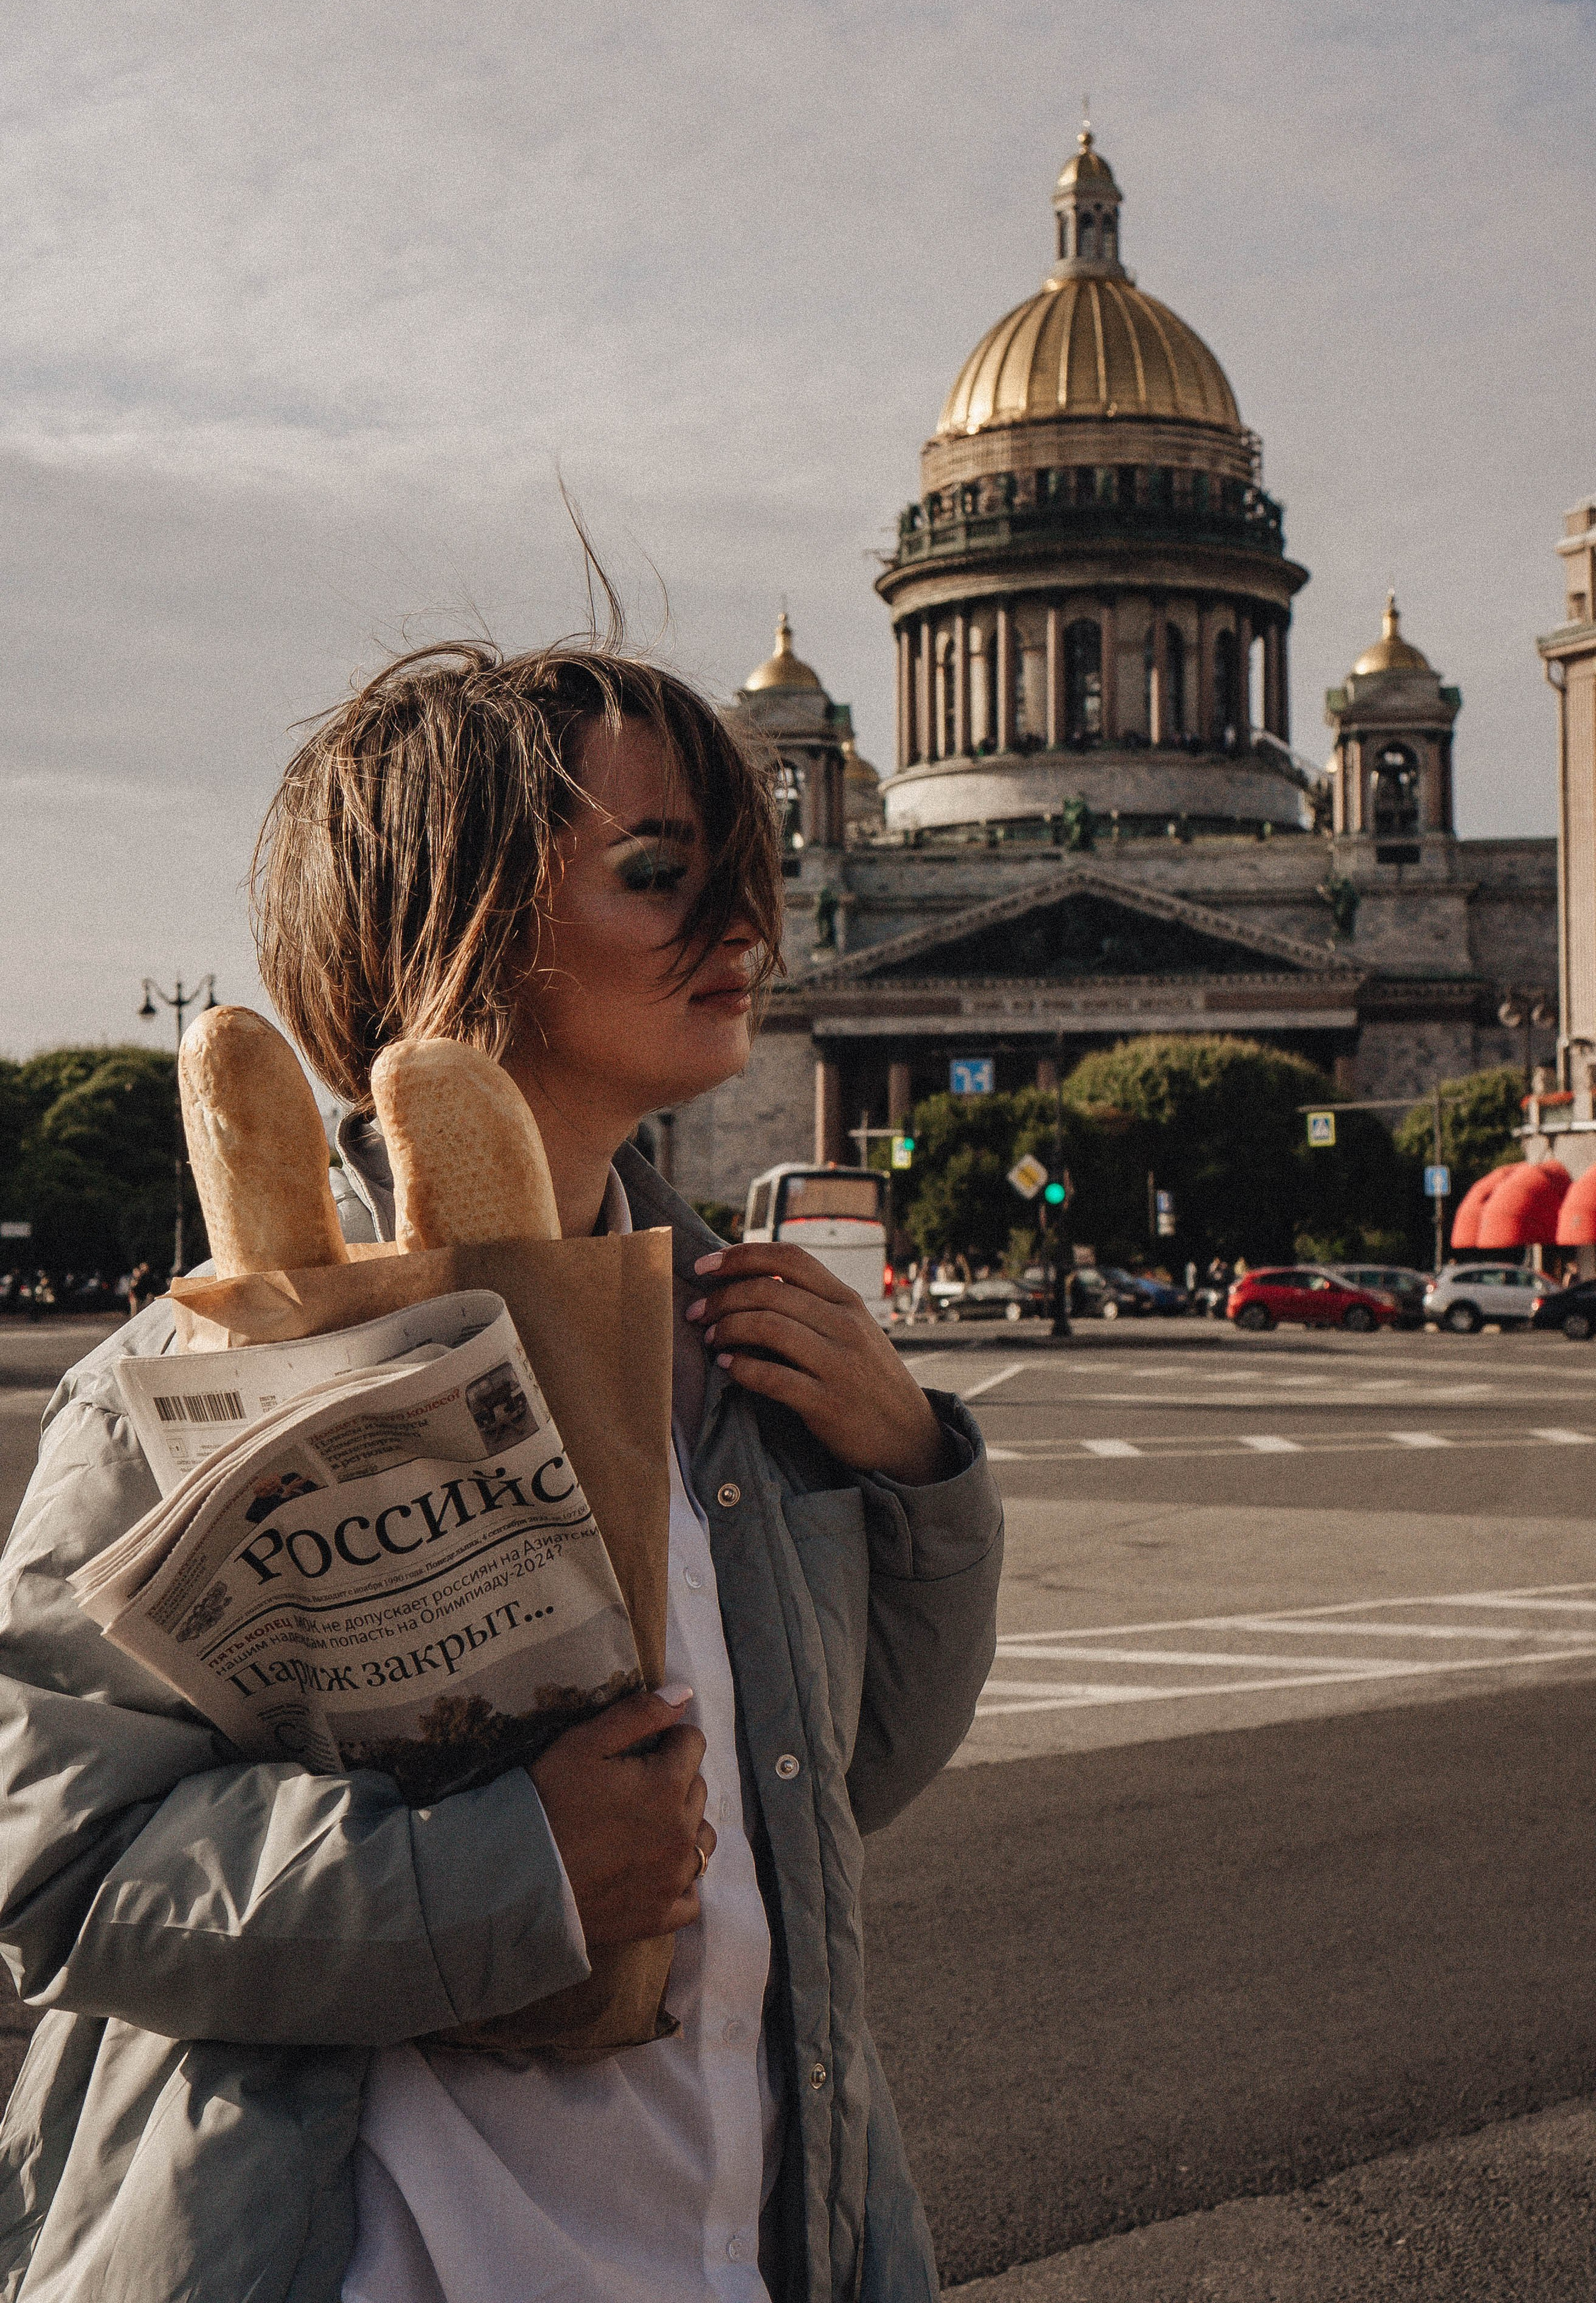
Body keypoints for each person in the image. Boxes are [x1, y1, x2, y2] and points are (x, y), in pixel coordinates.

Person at [0, 634, 1002, 2303]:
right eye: (661, 874)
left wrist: (914, 1472)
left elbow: (829, 1795)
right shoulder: (182, 1381)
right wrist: (511, 1872)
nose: (745, 930)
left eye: (744, 874)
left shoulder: (747, 1350)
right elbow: (64, 1871)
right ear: (444, 924)